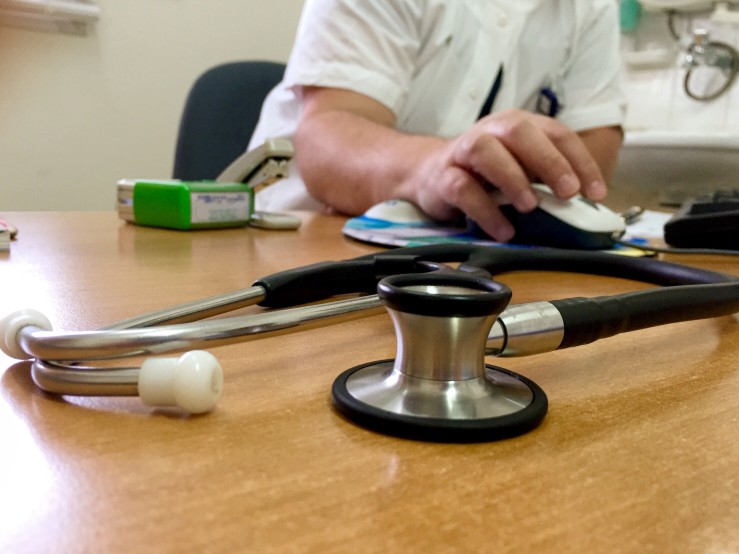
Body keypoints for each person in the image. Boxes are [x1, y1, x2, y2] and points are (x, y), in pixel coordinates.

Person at [248, 0, 626, 242]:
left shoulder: (592, 8)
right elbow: (328, 134)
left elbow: (593, 161)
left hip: (462, 253)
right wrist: (436, 169)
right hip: (301, 239)